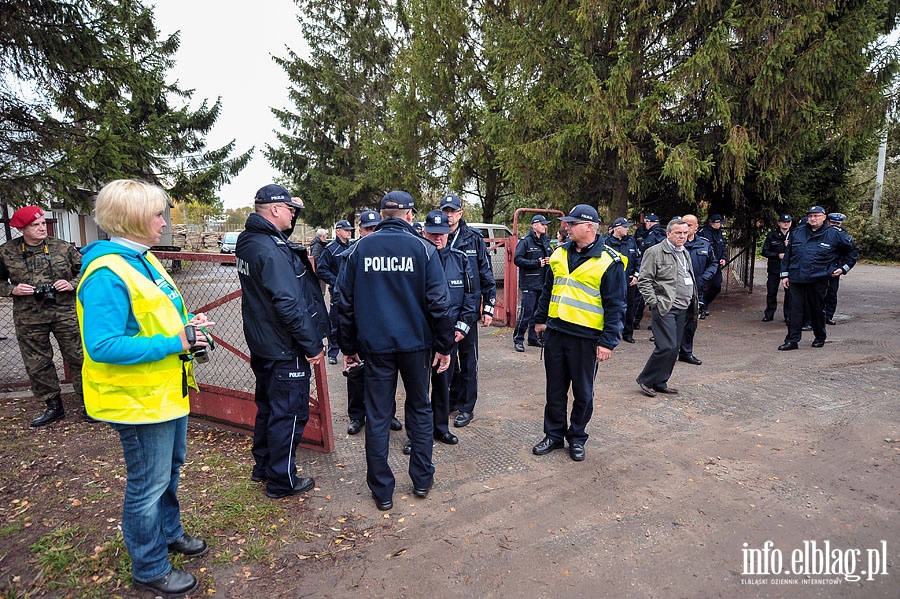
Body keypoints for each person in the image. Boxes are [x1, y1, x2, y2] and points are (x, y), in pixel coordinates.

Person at [77, 179, 211, 597]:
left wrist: (188, 329)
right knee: (147, 485)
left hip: (165, 393)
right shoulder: (107, 272)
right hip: (137, 402)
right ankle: (150, 566)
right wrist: (177, 341)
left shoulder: (143, 259)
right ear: (133, 218)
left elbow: (157, 316)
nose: (164, 220)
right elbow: (103, 345)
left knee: (167, 473)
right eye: (157, 213)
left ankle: (169, 533)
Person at [336, 191, 454, 511]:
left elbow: (342, 303)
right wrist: (444, 346)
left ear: (382, 214)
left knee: (377, 416)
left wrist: (348, 347)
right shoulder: (424, 249)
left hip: (376, 347)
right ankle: (421, 479)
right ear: (410, 216)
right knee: (420, 408)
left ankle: (382, 491)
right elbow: (439, 305)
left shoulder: (359, 249)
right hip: (416, 345)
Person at [235, 184, 329, 499]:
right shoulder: (271, 250)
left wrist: (292, 206)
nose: (293, 214)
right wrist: (312, 344)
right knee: (288, 414)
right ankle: (281, 480)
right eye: (289, 209)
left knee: (268, 407)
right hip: (283, 346)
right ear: (275, 210)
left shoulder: (249, 240)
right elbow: (289, 304)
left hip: (263, 342)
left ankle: (263, 466)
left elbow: (281, 233)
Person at [531, 204, 626, 462]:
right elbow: (548, 289)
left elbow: (615, 306)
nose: (566, 227)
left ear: (589, 227)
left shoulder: (609, 261)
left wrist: (608, 342)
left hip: (587, 339)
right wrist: (540, 321)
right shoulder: (559, 253)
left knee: (583, 393)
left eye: (572, 224)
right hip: (556, 333)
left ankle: (577, 437)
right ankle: (553, 434)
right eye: (567, 224)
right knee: (555, 389)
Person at [0, 205, 85, 427]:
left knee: (78, 357)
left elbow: (85, 271)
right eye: (35, 225)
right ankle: (53, 406)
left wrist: (71, 283)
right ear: (22, 229)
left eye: (42, 223)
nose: (42, 228)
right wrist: (12, 290)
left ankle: (89, 402)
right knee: (37, 363)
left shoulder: (63, 248)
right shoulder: (6, 252)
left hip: (64, 313)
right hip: (29, 317)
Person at [403, 209, 478, 455]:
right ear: (424, 232)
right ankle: (416, 435)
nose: (438, 239)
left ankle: (440, 427)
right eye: (433, 234)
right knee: (419, 388)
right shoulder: (414, 260)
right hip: (421, 338)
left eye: (442, 234)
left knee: (443, 384)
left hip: (450, 335)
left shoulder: (460, 259)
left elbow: (470, 295)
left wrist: (462, 327)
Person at [440, 193, 496, 428]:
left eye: (453, 211)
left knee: (468, 361)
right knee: (446, 360)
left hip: (468, 310)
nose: (449, 216)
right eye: (446, 211)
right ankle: (451, 400)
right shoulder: (435, 235)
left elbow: (486, 273)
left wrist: (489, 307)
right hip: (443, 312)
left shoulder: (472, 239)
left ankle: (466, 406)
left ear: (461, 214)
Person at [778, 206, 858, 351]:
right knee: (795, 310)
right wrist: (784, 275)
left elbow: (853, 251)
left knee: (817, 309)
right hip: (797, 277)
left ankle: (819, 336)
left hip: (818, 278)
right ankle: (792, 340)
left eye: (816, 216)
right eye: (810, 216)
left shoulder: (834, 234)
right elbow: (788, 255)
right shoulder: (797, 232)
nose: (813, 219)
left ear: (824, 217)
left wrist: (843, 268)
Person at [635, 218, 699, 397]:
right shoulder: (654, 252)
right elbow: (644, 280)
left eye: (686, 233)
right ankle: (646, 379)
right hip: (665, 306)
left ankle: (660, 381)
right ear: (668, 233)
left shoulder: (684, 252)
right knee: (666, 346)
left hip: (683, 307)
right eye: (678, 233)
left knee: (675, 347)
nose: (683, 236)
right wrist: (654, 302)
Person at [342, 210, 381, 436]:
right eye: (368, 229)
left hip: (380, 328)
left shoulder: (384, 255)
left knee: (382, 376)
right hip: (357, 327)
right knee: (356, 375)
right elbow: (342, 299)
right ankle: (357, 416)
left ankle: (388, 414)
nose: (372, 233)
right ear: (360, 230)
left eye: (375, 228)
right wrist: (345, 340)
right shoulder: (352, 254)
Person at [678, 214, 718, 365]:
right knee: (675, 321)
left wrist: (705, 278)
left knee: (691, 322)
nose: (687, 228)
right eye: (684, 224)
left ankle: (686, 352)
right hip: (678, 289)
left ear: (696, 227)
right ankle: (671, 351)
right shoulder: (674, 244)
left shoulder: (704, 244)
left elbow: (713, 263)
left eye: (690, 225)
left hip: (697, 289)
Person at [316, 220, 354, 365]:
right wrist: (336, 281)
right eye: (346, 230)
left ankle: (351, 351)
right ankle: (333, 352)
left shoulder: (353, 246)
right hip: (338, 292)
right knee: (336, 323)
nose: (349, 232)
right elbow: (321, 269)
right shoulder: (330, 249)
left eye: (350, 230)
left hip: (352, 291)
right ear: (338, 231)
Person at [512, 214, 551, 352]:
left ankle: (533, 339)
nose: (545, 226)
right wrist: (536, 263)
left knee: (538, 313)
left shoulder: (545, 241)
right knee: (526, 313)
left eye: (546, 224)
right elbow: (518, 259)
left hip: (543, 282)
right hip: (529, 283)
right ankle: (518, 339)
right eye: (543, 224)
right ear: (534, 226)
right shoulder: (526, 241)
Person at [603, 217, 641, 343]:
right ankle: (609, 333)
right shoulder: (605, 242)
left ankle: (628, 333)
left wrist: (636, 275)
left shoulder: (631, 241)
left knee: (630, 308)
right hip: (611, 281)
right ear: (617, 228)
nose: (627, 229)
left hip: (628, 281)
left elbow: (637, 260)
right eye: (625, 227)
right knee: (610, 307)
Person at [824, 213, 855, 325]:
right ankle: (812, 319)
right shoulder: (822, 234)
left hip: (835, 270)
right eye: (833, 223)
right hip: (819, 269)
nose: (835, 226)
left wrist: (843, 269)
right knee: (816, 295)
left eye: (838, 223)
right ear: (828, 222)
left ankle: (828, 316)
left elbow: (852, 254)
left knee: (831, 294)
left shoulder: (845, 236)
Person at [634, 213, 664, 330]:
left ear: (649, 222)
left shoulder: (653, 235)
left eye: (646, 222)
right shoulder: (660, 234)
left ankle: (635, 321)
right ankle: (656, 323)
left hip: (649, 268)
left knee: (642, 295)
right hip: (658, 269)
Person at [761, 214, 793, 322]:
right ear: (779, 223)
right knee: (771, 292)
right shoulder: (772, 235)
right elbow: (765, 251)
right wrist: (777, 255)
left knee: (789, 293)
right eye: (783, 222)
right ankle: (769, 314)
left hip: (788, 270)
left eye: (788, 222)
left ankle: (788, 316)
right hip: (774, 268)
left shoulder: (793, 236)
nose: (786, 224)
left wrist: (789, 246)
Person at [697, 214, 728, 317]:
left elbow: (723, 247)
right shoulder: (703, 233)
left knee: (716, 286)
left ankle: (704, 303)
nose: (720, 225)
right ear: (712, 223)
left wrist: (723, 258)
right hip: (705, 265)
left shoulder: (719, 233)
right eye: (719, 223)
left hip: (716, 265)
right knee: (702, 286)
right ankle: (701, 307)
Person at [308, 228, 329, 296]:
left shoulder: (316, 244)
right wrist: (322, 267)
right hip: (319, 273)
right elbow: (315, 257)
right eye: (326, 235)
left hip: (317, 272)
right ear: (323, 236)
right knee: (321, 293)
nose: (326, 237)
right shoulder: (318, 245)